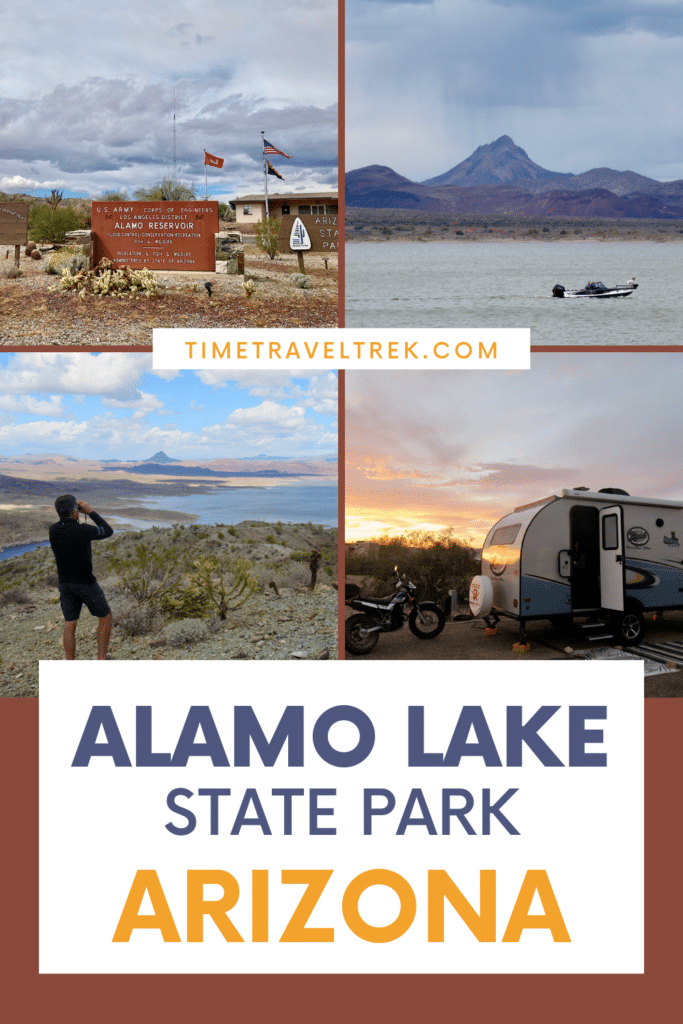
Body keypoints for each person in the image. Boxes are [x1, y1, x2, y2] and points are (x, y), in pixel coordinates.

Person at [49, 494, 114, 660]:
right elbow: (108, 531)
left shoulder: (53, 530)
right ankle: (101, 658)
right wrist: (90, 511)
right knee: (105, 616)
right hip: (85, 583)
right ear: (74, 512)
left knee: (70, 623)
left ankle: (70, 662)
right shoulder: (83, 530)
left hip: (65, 584)